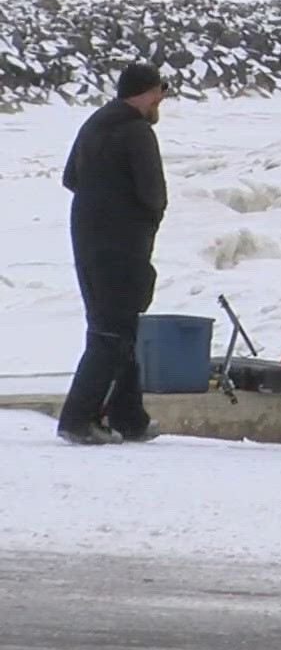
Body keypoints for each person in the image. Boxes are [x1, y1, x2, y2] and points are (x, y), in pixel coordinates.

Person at [56, 62, 169, 445]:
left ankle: (129, 417)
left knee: (117, 327)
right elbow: (154, 194)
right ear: (149, 92)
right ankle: (77, 419)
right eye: (161, 91)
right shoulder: (137, 132)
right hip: (123, 244)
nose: (162, 100)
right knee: (112, 333)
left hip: (87, 240)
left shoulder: (94, 124)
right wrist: (141, 222)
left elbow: (70, 178)